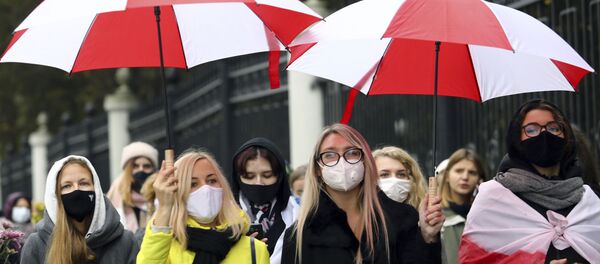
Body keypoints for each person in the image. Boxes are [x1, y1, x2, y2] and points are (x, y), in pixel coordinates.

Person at [459, 99, 600, 263]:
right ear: (516, 140)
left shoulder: (590, 200)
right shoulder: (493, 198)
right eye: (531, 130)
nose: (544, 134)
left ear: (566, 136)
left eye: (554, 128)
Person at [281, 124, 442, 264]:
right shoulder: (299, 235)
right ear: (317, 168)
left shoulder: (401, 217)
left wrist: (428, 237)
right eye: (329, 155)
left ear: (365, 160)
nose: (342, 161)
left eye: (351, 152)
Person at [137, 149, 269, 264]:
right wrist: (165, 207)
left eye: (212, 181)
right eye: (193, 184)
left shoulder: (255, 250)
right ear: (178, 192)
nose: (206, 189)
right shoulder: (166, 247)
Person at [21, 155, 138, 264]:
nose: (76, 191)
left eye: (84, 183)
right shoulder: (36, 245)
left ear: (96, 189)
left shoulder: (125, 242)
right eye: (67, 186)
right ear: (55, 196)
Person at [231, 138, 298, 264]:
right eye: (249, 176)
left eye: (267, 175)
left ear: (280, 176)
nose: (258, 183)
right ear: (238, 178)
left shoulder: (297, 214)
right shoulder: (223, 218)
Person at [438, 148, 485, 264]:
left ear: (480, 179)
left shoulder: (488, 216)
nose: (465, 177)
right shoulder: (434, 214)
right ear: (447, 176)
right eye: (459, 171)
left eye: (472, 172)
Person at [107, 141, 159, 232]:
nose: (141, 170)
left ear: (154, 170)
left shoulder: (162, 196)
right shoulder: (114, 196)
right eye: (135, 166)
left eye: (146, 166)